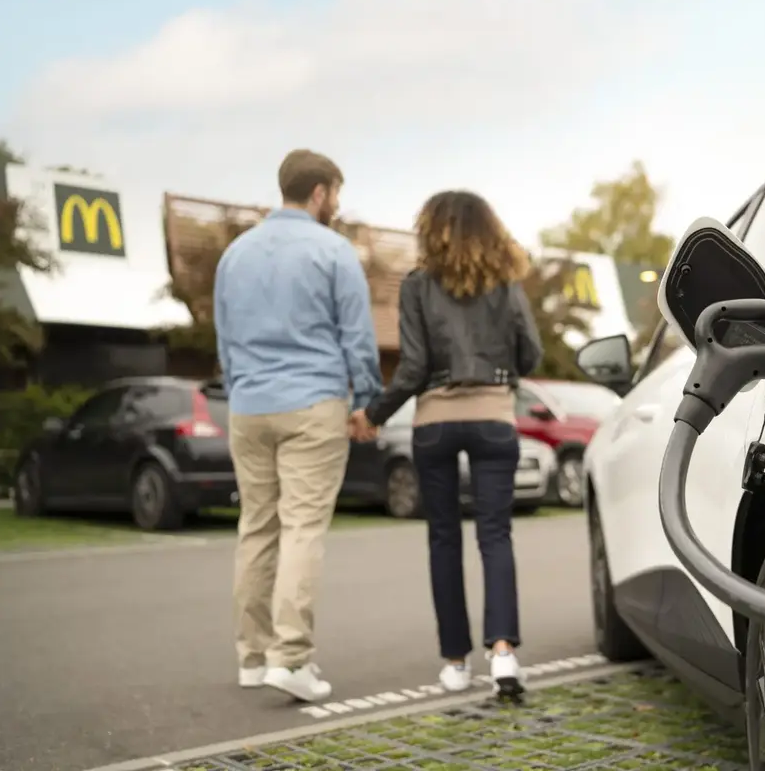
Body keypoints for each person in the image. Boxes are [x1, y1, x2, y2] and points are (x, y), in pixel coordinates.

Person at [214, 149, 383, 703]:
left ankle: (252, 655)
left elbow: (225, 339)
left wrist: (242, 391)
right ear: (319, 193)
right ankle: (291, 659)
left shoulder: (234, 256)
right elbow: (356, 338)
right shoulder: (332, 250)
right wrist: (367, 404)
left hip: (249, 405)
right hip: (312, 402)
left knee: (256, 527)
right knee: (302, 528)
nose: (337, 203)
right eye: (335, 192)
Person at [361, 190, 543, 698]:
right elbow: (531, 354)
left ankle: (456, 663)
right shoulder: (506, 283)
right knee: (495, 536)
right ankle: (504, 655)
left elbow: (414, 368)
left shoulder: (417, 285)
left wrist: (374, 413)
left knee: (444, 539)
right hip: (494, 420)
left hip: (435, 423)